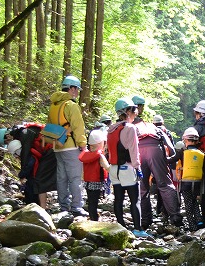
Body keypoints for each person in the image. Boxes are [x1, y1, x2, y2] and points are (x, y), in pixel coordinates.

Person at [133, 105, 181, 230]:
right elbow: (171, 148)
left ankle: (145, 220)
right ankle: (175, 216)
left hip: (139, 152)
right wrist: (166, 160)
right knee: (165, 184)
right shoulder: (153, 127)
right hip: (156, 150)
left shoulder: (132, 128)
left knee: (142, 188)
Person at [106, 98, 148, 237]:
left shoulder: (111, 128)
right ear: (127, 111)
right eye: (134, 110)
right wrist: (138, 168)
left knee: (118, 199)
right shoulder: (130, 128)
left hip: (114, 168)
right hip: (127, 168)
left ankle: (121, 227)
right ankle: (138, 229)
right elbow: (133, 150)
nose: (136, 113)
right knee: (135, 200)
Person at [48, 75, 87, 215]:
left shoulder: (54, 105)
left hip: (57, 145)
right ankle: (76, 206)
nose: (77, 92)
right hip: (71, 145)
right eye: (76, 89)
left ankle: (63, 206)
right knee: (75, 177)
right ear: (71, 88)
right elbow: (78, 126)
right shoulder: (71, 105)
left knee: (62, 177)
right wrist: (83, 144)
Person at [2, 122, 57, 207]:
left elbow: (26, 157)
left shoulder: (25, 134)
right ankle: (43, 206)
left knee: (40, 180)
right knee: (40, 179)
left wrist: (22, 174)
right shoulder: (26, 133)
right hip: (52, 150)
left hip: (51, 151)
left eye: (7, 140)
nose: (8, 141)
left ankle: (43, 207)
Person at [172, 127, 204, 232]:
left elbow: (172, 160)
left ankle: (192, 226)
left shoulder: (182, 152)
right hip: (198, 182)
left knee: (188, 204)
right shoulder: (201, 153)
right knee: (195, 201)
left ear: (185, 140)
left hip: (185, 182)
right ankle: (199, 220)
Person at [78, 129, 109, 221]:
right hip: (96, 182)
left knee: (90, 201)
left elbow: (83, 171)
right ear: (101, 143)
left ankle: (92, 216)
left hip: (87, 182)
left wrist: (82, 179)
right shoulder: (100, 156)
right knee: (94, 202)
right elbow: (107, 168)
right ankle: (94, 219)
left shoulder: (86, 155)